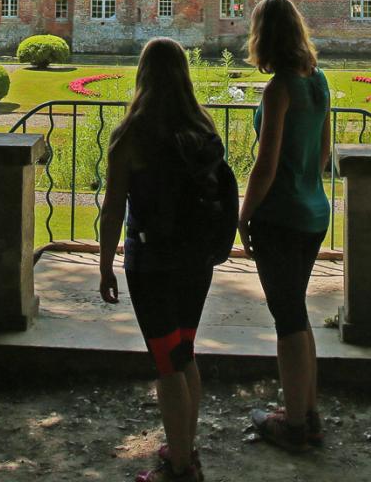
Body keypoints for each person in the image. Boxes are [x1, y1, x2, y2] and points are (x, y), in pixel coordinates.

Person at [99, 37, 236, 482]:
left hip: (152, 261)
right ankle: (184, 449)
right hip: (196, 259)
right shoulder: (204, 130)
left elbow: (113, 208)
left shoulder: (131, 136)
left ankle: (179, 467)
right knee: (184, 353)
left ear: (143, 75)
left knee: (166, 364)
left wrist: (104, 265)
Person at [239, 0, 332, 453]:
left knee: (287, 318)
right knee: (297, 313)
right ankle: (307, 413)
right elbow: (324, 153)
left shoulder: (278, 89)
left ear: (264, 36)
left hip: (282, 215)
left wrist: (244, 214)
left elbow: (265, 164)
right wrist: (307, 186)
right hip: (315, 211)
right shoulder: (318, 81)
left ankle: (294, 425)